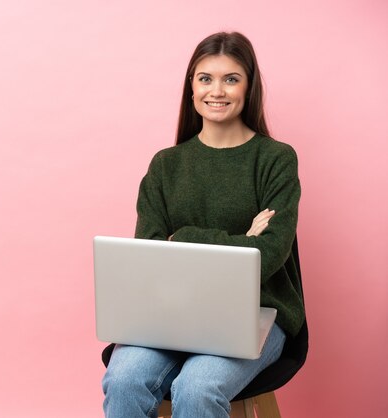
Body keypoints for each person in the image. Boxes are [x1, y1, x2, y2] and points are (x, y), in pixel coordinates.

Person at [101, 32, 305, 418]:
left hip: (256, 312)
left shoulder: (276, 159)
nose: (217, 90)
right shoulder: (166, 165)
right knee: (123, 379)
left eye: (231, 79)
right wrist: (242, 240)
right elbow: (151, 254)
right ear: (191, 88)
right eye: (205, 78)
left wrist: (185, 237)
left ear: (249, 87)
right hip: (169, 314)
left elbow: (269, 255)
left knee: (198, 387)